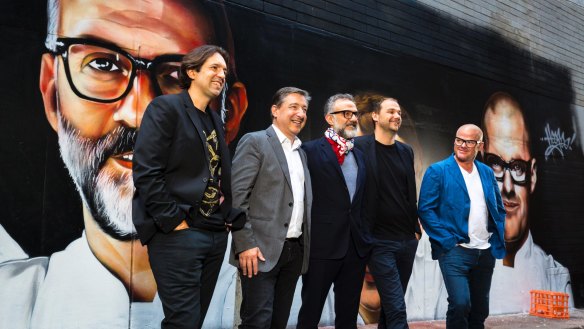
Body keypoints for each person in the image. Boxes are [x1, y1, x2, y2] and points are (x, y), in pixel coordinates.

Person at [0, 1, 247, 328]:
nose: (138, 113)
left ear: (229, 115)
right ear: (52, 91)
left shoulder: (290, 290)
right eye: (102, 64)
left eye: (177, 76)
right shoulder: (12, 301)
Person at [133, 44, 244, 329]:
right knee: (183, 322)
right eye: (214, 68)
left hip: (214, 234)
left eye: (224, 70)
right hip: (178, 234)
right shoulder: (166, 108)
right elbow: (146, 171)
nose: (222, 75)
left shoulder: (214, 119)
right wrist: (174, 221)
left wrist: (225, 217)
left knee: (193, 322)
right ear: (192, 71)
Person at [481, 92, 572, 312]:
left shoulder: (555, 277)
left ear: (532, 175)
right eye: (496, 166)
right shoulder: (442, 264)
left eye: (518, 168)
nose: (508, 187)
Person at [230, 87, 312, 329]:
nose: (300, 113)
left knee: (279, 322)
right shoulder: (255, 141)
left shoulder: (301, 152)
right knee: (257, 322)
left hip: (293, 252)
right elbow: (237, 197)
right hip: (259, 251)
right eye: (294, 107)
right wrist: (245, 244)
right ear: (275, 110)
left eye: (304, 109)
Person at [418, 124, 506, 329]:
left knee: (480, 308)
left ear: (480, 145)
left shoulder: (486, 172)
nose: (462, 145)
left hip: (484, 252)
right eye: (459, 140)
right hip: (455, 251)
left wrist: (496, 236)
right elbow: (425, 210)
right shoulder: (437, 171)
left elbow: (498, 208)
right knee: (460, 303)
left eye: (469, 141)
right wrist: (448, 241)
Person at [297, 94, 371, 329]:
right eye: (346, 113)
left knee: (348, 317)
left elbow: (363, 200)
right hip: (322, 246)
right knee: (310, 312)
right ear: (330, 118)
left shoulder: (359, 154)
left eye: (355, 114)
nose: (352, 118)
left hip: (355, 247)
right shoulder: (308, 151)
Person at [354, 97, 420, 328]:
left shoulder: (406, 151)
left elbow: (408, 192)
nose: (396, 116)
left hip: (406, 241)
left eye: (399, 113)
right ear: (375, 116)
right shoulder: (360, 147)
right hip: (379, 242)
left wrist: (415, 230)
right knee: (397, 309)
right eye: (391, 111)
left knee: (391, 308)